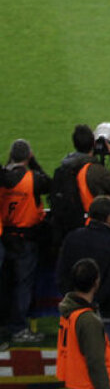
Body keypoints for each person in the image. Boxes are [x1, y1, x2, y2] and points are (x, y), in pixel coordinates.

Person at [56, 196, 110, 355]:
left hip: (75, 309)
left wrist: (74, 298)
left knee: (77, 356)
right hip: (107, 311)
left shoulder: (72, 237)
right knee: (107, 358)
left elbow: (61, 273)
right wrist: (95, 302)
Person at [1, 139, 51, 345]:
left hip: (4, 238)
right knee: (23, 285)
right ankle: (19, 328)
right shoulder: (33, 179)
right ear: (28, 156)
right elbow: (49, 183)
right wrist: (35, 163)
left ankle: (5, 326)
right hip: (26, 240)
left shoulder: (2, 177)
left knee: (5, 285)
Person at [58, 258, 110, 389]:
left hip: (79, 383)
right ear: (96, 282)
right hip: (91, 387)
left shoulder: (69, 309)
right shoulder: (88, 319)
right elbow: (95, 361)